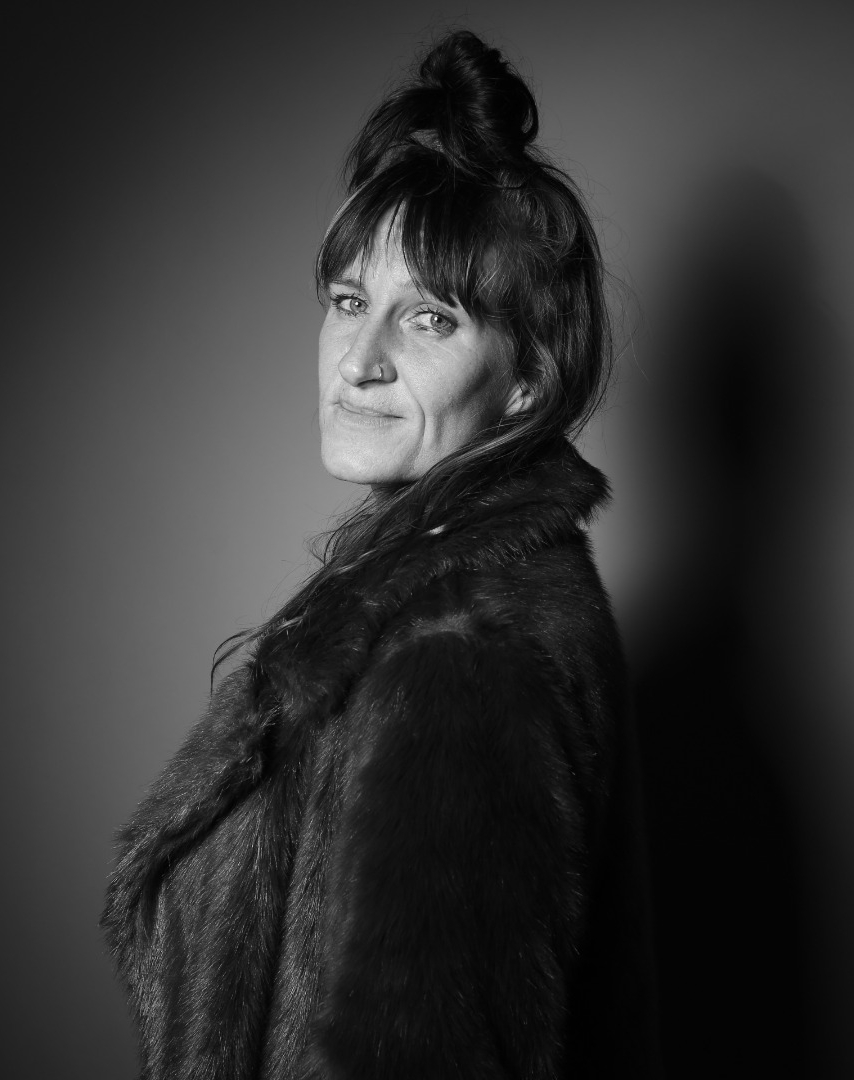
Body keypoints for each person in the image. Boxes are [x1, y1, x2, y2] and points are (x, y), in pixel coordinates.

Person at [102, 30, 659, 1079]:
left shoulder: (463, 656)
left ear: (529, 381)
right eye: (351, 303)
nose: (359, 360)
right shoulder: (452, 593)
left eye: (429, 320)